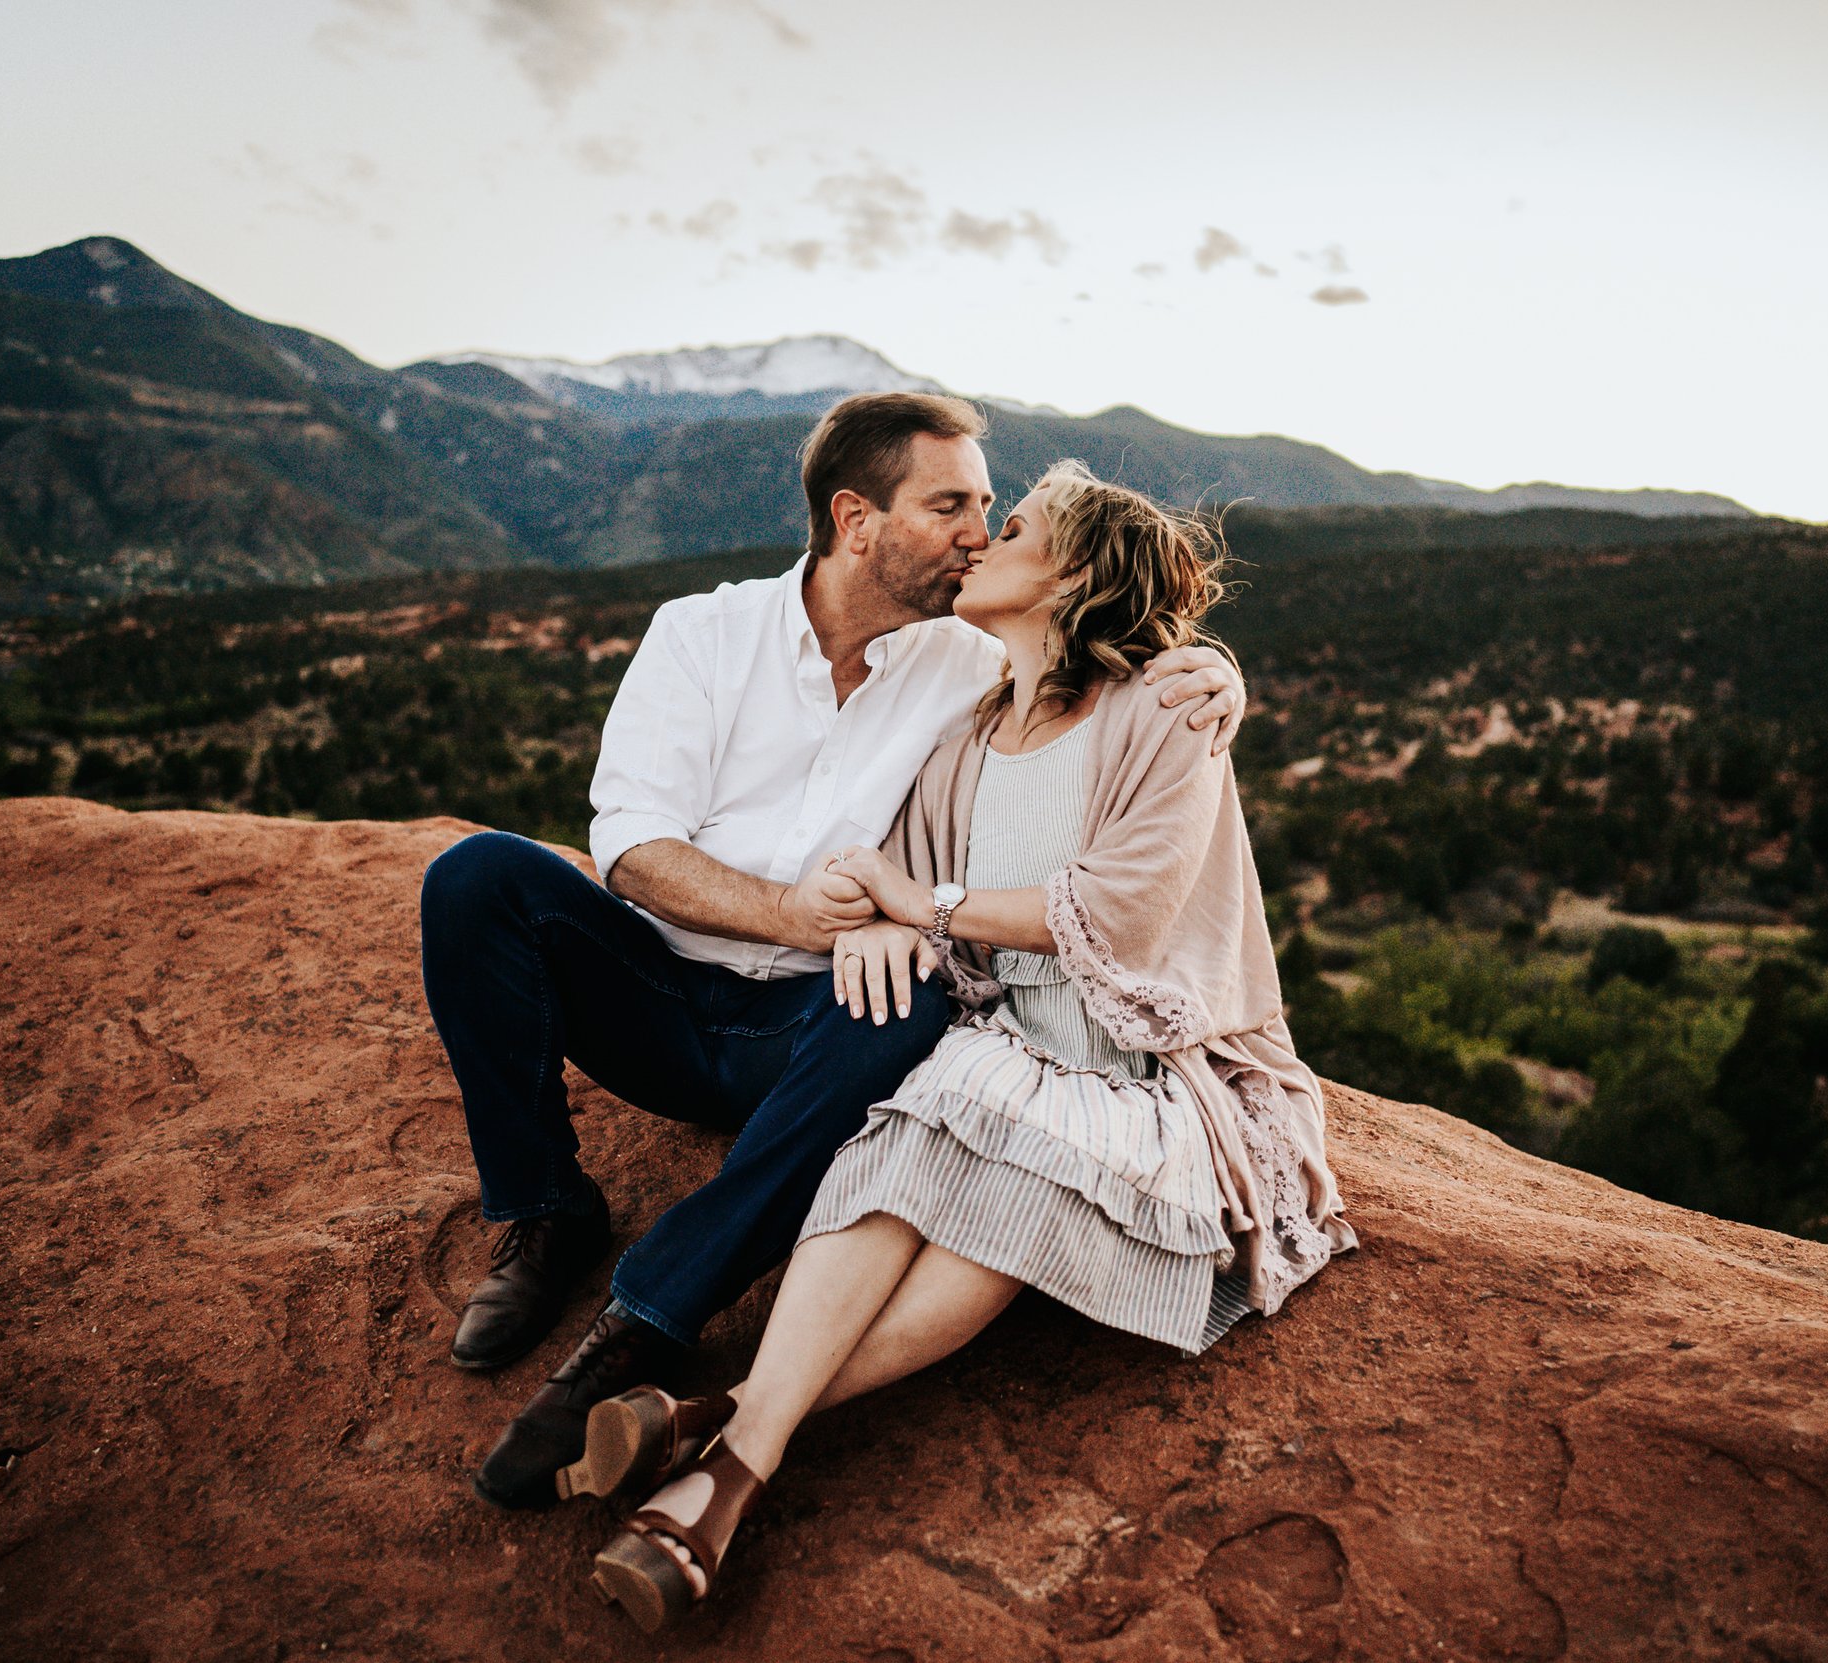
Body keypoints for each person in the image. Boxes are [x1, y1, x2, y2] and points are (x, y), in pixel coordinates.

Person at [417, 396, 1248, 1509]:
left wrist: (1218, 675)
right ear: (856, 519)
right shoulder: (701, 634)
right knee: (476, 878)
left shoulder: (969, 659)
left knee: (914, 1011)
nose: (976, 531)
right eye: (951, 505)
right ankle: (544, 1210)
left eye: (990, 510)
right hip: (657, 996)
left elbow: (1098, 652)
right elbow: (626, 840)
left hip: (808, 1034)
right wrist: (794, 915)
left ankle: (644, 1321)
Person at [571, 460, 1358, 1631]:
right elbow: (894, 877)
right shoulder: (968, 734)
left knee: (1011, 1169)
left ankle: (727, 1447)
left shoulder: (1165, 710)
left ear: (1077, 574)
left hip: (1147, 1063)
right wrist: (886, 915)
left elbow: (1117, 915)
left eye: (1018, 524)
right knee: (896, 1156)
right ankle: (718, 1453)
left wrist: (919, 902)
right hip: (1010, 1031)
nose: (983, 536)